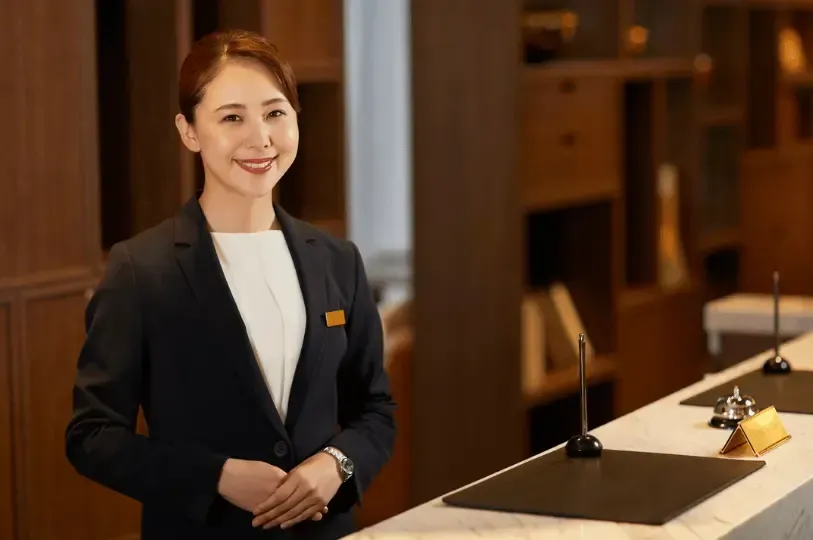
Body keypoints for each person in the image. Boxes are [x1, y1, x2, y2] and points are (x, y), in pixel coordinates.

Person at [65, 29, 396, 539]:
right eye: (232, 117)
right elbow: (92, 436)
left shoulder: (337, 259)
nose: (260, 137)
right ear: (189, 131)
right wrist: (215, 476)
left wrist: (336, 464)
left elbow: (374, 410)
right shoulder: (140, 269)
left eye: (275, 112)